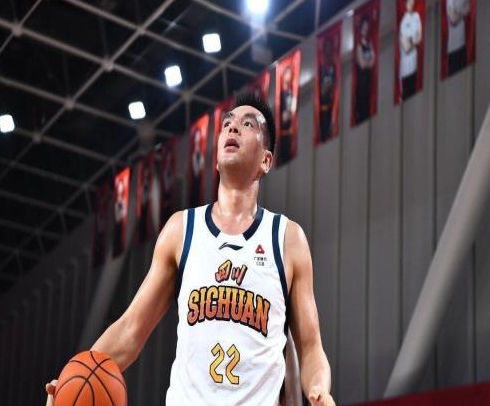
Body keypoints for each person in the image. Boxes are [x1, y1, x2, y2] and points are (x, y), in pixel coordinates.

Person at [45, 94, 335, 406]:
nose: (232, 128)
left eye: (248, 124)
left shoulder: (288, 239)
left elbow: (310, 347)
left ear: (266, 160)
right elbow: (130, 330)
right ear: (216, 159)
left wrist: (320, 390)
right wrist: (74, 381)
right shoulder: (182, 230)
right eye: (227, 124)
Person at [399, 0, 422, 100]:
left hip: (414, 66)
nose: (411, 2)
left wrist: (411, 40)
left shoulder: (417, 16)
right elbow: (407, 47)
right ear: (405, 2)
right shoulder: (403, 23)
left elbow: (419, 38)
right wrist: (413, 40)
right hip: (405, 70)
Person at [446, 0, 470, 75]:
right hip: (453, 48)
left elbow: (468, 8)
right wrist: (463, 11)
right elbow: (453, 19)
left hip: (463, 43)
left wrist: (458, 12)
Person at [355, 14, 375, 125]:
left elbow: (372, 62)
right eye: (364, 27)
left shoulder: (369, 44)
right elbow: (362, 64)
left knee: (367, 104)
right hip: (361, 81)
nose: (365, 30)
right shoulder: (359, 45)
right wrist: (368, 62)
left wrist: (367, 62)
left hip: (368, 80)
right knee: (362, 104)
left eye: (367, 27)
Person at [319, 37, 337, 142]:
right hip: (323, 105)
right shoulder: (321, 68)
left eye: (330, 48)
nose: (328, 51)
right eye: (326, 48)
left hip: (332, 103)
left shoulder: (333, 67)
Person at [279, 66, 296, 164]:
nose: (288, 76)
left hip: (289, 130)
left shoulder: (291, 93)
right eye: (287, 74)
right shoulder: (280, 94)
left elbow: (292, 110)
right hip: (282, 130)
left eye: (290, 74)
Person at [189, 127, 205, 206]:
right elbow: (195, 171)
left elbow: (201, 168)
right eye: (196, 138)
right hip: (194, 183)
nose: (197, 140)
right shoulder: (193, 154)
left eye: (198, 138)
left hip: (199, 183)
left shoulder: (200, 154)